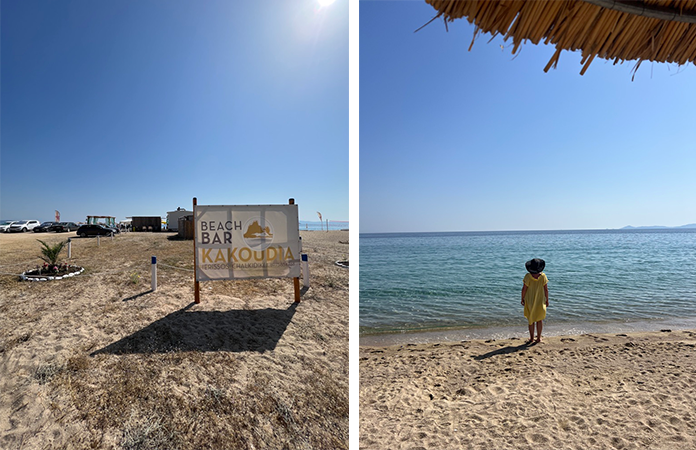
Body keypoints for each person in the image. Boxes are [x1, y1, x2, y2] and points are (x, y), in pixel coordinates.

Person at [521, 258, 549, 344]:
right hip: (540, 300)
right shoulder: (543, 276)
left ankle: (531, 338)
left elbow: (524, 289)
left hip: (529, 300)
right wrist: (547, 300)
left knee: (531, 319)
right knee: (539, 319)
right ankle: (539, 338)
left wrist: (522, 298)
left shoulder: (528, 276)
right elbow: (546, 290)